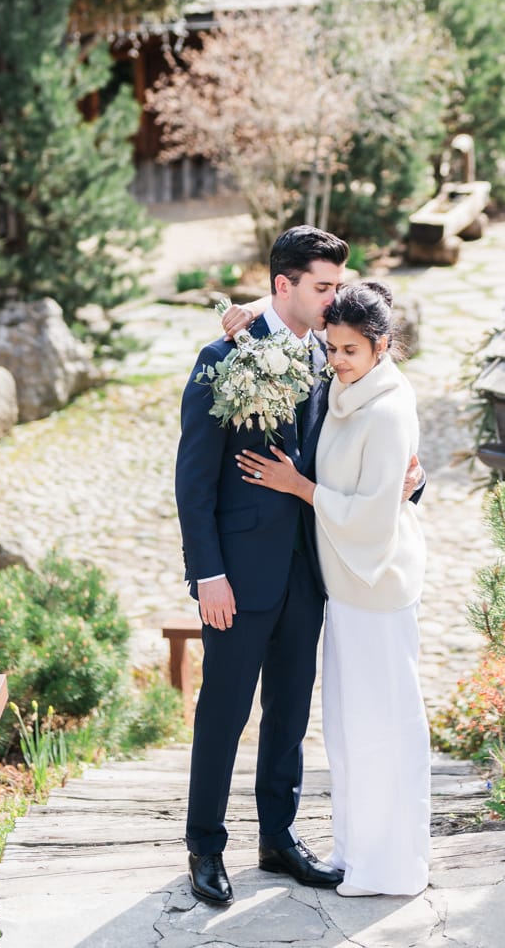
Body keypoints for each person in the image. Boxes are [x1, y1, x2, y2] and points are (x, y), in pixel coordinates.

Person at [175, 225, 351, 907]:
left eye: (338, 285)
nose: (335, 298)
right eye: (323, 286)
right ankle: (205, 845)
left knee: (289, 710)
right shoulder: (223, 355)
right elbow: (193, 481)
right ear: (284, 285)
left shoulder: (329, 351)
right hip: (238, 575)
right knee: (223, 710)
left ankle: (278, 837)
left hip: (306, 570)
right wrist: (207, 573)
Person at [236, 280, 430, 898]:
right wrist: (249, 315)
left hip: (377, 587)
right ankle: (359, 851)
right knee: (349, 732)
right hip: (343, 588)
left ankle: (390, 866)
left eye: (349, 350)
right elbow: (285, 307)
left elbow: (374, 513)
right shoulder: (345, 389)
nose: (336, 360)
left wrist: (299, 487)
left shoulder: (389, 406)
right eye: (331, 347)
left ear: (381, 347)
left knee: (383, 728)